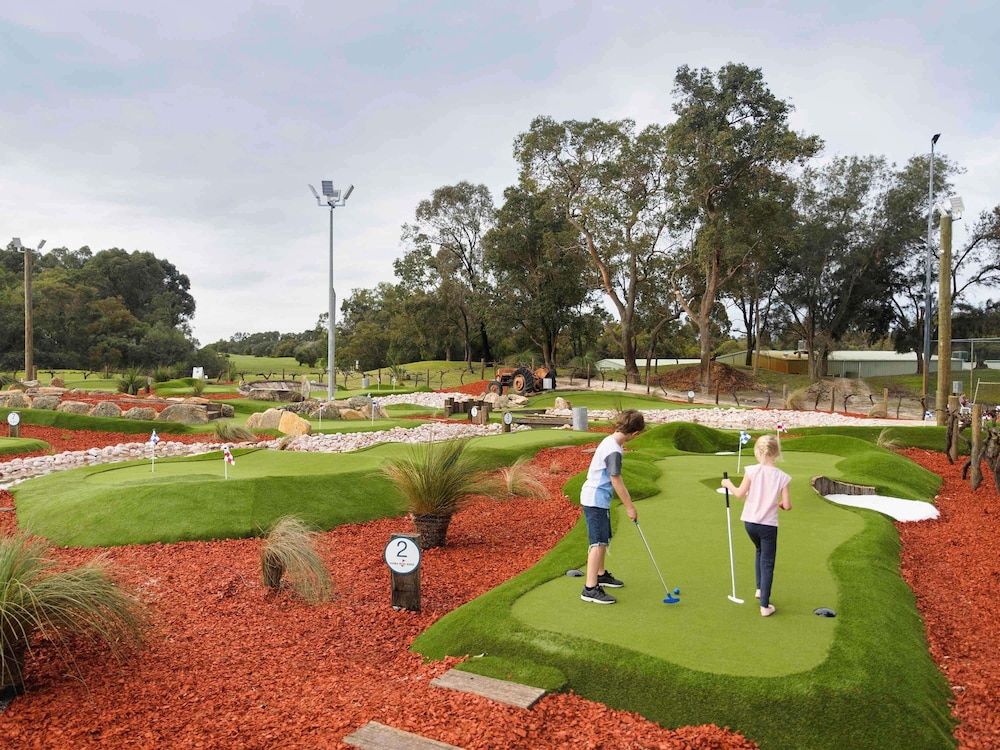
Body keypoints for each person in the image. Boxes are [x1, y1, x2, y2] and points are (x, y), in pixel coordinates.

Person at [720, 433, 792, 617]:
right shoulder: (783, 477)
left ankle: (760, 589)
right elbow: (787, 505)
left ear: (758, 452)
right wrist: (781, 504)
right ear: (776, 453)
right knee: (767, 562)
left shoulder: (751, 470)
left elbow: (739, 494)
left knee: (759, 551)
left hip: (750, 523)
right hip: (768, 526)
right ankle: (764, 606)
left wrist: (728, 484)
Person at [578, 409, 645, 604]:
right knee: (597, 543)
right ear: (635, 433)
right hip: (595, 498)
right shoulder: (614, 450)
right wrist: (630, 507)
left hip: (597, 498)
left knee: (603, 538)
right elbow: (616, 480)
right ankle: (590, 588)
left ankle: (600, 575)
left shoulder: (610, 441)